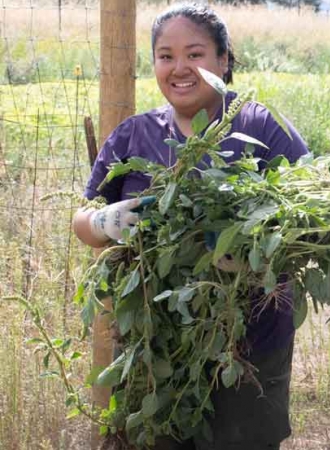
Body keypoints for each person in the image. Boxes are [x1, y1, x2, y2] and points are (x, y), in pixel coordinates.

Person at [71, 3, 308, 449]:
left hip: (249, 344)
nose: (179, 68)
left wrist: (259, 249)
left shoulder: (262, 126)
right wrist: (106, 220)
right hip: (155, 347)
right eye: (165, 55)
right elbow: (83, 223)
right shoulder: (132, 136)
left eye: (195, 54)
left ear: (224, 60)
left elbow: (312, 221)